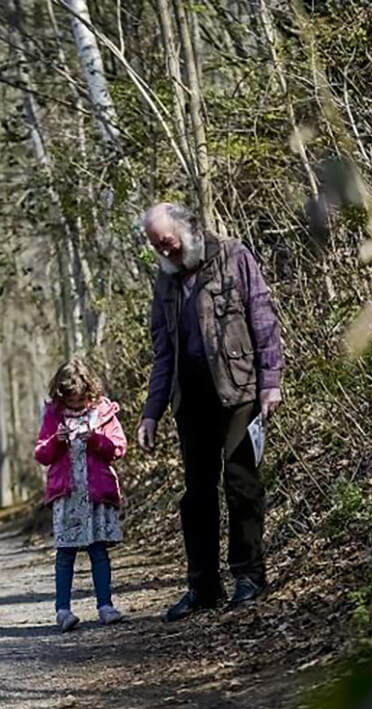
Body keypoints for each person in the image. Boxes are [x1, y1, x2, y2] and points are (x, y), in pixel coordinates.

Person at [137, 202, 285, 622]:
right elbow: (163, 352)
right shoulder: (164, 282)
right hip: (192, 399)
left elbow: (263, 319)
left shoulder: (233, 256)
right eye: (155, 245)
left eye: (165, 241)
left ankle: (249, 577)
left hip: (238, 389)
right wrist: (152, 412)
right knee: (196, 496)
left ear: (187, 230)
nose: (162, 251)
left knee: (241, 483)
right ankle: (202, 587)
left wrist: (270, 381)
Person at [35, 358, 128, 632]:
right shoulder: (53, 414)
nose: (75, 406)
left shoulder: (103, 411)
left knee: (98, 550)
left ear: (90, 392)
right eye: (71, 402)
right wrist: (56, 442)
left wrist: (98, 441)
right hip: (67, 495)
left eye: (80, 400)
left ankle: (105, 605)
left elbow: (119, 447)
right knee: (65, 553)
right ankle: (63, 610)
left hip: (97, 493)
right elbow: (41, 453)